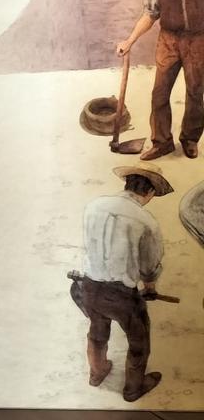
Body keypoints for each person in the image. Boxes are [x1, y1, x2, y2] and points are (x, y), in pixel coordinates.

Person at [70, 160, 171, 402]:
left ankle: (96, 373)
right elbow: (149, 266)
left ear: (127, 184)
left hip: (90, 286)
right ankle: (133, 388)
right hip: (121, 295)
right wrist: (149, 288)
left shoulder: (94, 206)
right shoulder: (147, 221)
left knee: (97, 330)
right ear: (149, 192)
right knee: (139, 341)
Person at [116, 0, 204, 161]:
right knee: (159, 92)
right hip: (168, 41)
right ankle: (162, 142)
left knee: (196, 92)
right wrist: (130, 40)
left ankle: (190, 138)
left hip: (198, 41)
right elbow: (150, 14)